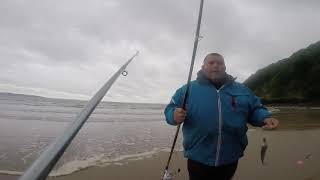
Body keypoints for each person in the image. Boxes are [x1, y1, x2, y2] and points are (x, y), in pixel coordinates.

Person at [164, 53, 279, 180]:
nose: (216, 66)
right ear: (203, 67)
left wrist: (265, 118)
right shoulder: (188, 89)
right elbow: (170, 109)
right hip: (198, 156)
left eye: (220, 63)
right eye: (211, 63)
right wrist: (173, 115)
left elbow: (255, 109)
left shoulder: (242, 90)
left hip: (230, 155)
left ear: (225, 67)